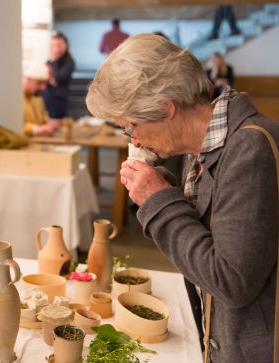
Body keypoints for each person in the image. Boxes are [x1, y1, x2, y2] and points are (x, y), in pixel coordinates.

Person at [86, 34, 278, 362]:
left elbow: (231, 282)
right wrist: (166, 191)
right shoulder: (202, 146)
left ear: (166, 107)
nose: (133, 138)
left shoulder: (249, 149)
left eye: (130, 126)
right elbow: (216, 228)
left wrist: (158, 199)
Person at [43, 32, 75, 125]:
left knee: (57, 126)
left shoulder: (69, 62)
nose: (56, 48)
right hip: (47, 98)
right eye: (53, 45)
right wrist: (51, 79)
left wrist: (55, 61)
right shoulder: (49, 61)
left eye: (59, 45)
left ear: (65, 45)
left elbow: (58, 78)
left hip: (60, 100)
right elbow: (44, 78)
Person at [23, 63, 60, 136]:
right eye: (39, 83)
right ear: (28, 79)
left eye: (45, 83)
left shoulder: (37, 97)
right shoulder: (15, 99)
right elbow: (13, 126)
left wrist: (51, 123)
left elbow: (44, 118)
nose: (43, 88)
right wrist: (36, 129)